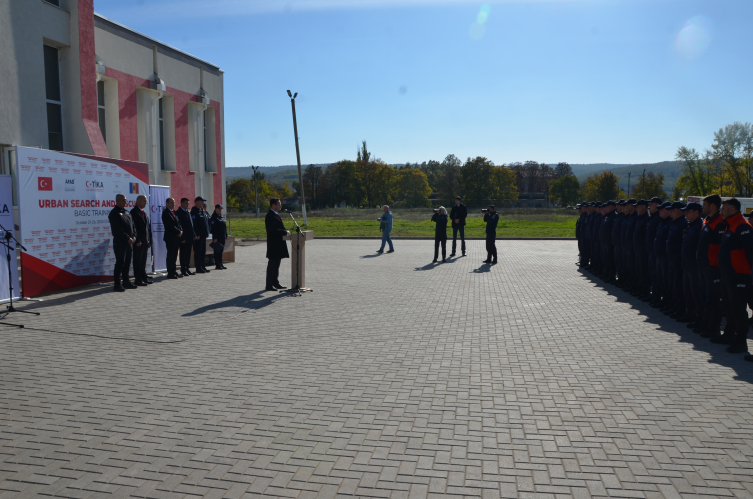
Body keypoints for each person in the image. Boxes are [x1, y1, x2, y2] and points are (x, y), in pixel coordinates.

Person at [714, 198, 753, 354]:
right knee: (729, 308)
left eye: (723, 208)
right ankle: (729, 335)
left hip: (739, 276)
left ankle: (741, 342)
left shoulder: (743, 226)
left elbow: (750, 252)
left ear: (732, 210)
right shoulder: (731, 226)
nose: (721, 211)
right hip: (728, 274)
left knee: (738, 310)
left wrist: (747, 275)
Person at [696, 194, 725, 339]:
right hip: (703, 266)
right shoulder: (707, 221)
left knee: (713, 299)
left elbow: (720, 247)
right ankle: (705, 323)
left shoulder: (720, 223)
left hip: (713, 267)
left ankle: (714, 327)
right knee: (704, 297)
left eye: (705, 205)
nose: (703, 208)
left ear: (712, 206)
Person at [108, 193, 137, 292]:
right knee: (120, 263)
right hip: (120, 243)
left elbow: (133, 226)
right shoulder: (114, 213)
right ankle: (117, 284)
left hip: (129, 243)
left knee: (127, 263)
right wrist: (127, 238)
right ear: (118, 201)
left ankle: (126, 281)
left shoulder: (127, 212)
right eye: (124, 200)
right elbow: (117, 229)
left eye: (126, 200)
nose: (126, 202)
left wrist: (134, 236)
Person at [665, 201, 688, 318]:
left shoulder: (683, 224)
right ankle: (674, 306)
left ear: (679, 210)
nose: (670, 212)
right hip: (671, 258)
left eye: (672, 210)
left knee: (678, 285)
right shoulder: (674, 222)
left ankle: (681, 309)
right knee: (672, 283)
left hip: (678, 260)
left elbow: (682, 244)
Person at [265, 198, 290, 291]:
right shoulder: (270, 216)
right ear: (273, 205)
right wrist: (284, 232)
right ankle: (269, 285)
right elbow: (273, 230)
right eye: (279, 204)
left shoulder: (276, 215)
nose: (281, 206)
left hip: (278, 244)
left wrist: (285, 231)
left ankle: (275, 283)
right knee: (272, 265)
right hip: (273, 245)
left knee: (277, 265)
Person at [130, 194, 152, 286]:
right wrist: (137, 240)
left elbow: (147, 227)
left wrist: (148, 239)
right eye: (144, 201)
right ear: (138, 201)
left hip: (145, 241)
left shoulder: (144, 212)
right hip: (138, 242)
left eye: (146, 201)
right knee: (137, 261)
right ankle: (138, 280)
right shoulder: (134, 212)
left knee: (143, 261)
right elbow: (134, 228)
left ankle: (143, 277)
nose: (145, 202)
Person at [645, 198, 663, 305]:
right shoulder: (651, 217)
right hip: (651, 250)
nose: (650, 206)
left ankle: (657, 296)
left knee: (658, 276)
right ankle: (654, 295)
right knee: (652, 274)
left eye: (652, 204)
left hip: (657, 252)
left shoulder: (659, 218)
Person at [632, 200, 651, 300]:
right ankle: (640, 289)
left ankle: (645, 291)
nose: (636, 208)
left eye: (638, 206)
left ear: (644, 207)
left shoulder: (647, 219)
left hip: (643, 250)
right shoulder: (639, 218)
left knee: (644, 271)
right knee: (638, 269)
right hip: (638, 249)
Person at [161, 197, 183, 279]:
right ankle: (170, 272)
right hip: (170, 237)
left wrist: (181, 231)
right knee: (170, 255)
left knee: (174, 255)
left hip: (177, 237)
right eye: (171, 203)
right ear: (167, 204)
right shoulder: (165, 213)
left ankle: (174, 271)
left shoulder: (174, 212)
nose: (173, 204)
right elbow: (169, 225)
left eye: (174, 203)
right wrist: (178, 232)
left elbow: (178, 223)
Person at [176, 197, 195, 276]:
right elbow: (179, 226)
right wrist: (182, 238)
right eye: (186, 203)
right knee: (183, 254)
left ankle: (187, 268)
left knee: (188, 254)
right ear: (182, 203)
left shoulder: (187, 212)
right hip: (184, 237)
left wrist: (193, 234)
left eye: (188, 203)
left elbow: (191, 225)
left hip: (190, 237)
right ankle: (183, 269)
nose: (188, 205)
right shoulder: (179, 213)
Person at [191, 196, 210, 273]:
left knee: (203, 252)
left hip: (203, 235)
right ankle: (198, 268)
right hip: (198, 236)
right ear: (197, 202)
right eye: (201, 201)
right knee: (198, 252)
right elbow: (194, 225)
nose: (203, 203)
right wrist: (196, 234)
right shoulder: (194, 211)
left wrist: (207, 232)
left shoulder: (202, 211)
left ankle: (202, 266)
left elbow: (205, 223)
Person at [210, 204, 228, 270]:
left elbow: (224, 227)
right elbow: (213, 229)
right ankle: (217, 265)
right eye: (219, 209)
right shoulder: (214, 217)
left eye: (221, 209)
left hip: (222, 236)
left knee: (221, 251)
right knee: (217, 251)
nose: (220, 210)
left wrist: (226, 235)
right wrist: (215, 237)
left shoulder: (221, 216)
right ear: (215, 209)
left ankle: (221, 263)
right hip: (217, 237)